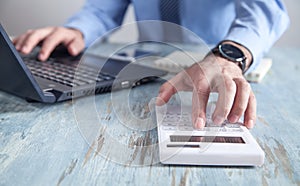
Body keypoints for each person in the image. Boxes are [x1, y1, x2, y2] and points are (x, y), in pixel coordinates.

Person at [13, 0, 289, 129]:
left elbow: (266, 11)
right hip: (145, 73)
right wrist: (78, 31)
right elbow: (102, 10)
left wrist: (230, 56)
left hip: (213, 76)